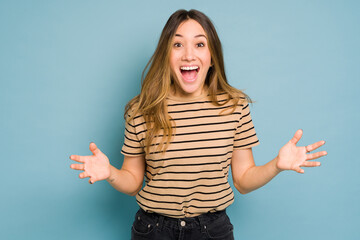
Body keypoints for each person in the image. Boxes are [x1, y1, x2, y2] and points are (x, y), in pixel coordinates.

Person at [69, 9, 327, 240]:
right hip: (153, 231)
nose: (188, 54)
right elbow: (133, 181)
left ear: (212, 57)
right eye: (177, 44)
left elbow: (244, 180)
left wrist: (277, 165)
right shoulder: (141, 110)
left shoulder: (235, 106)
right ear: (165, 56)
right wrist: (110, 173)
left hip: (212, 231)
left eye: (199, 44)